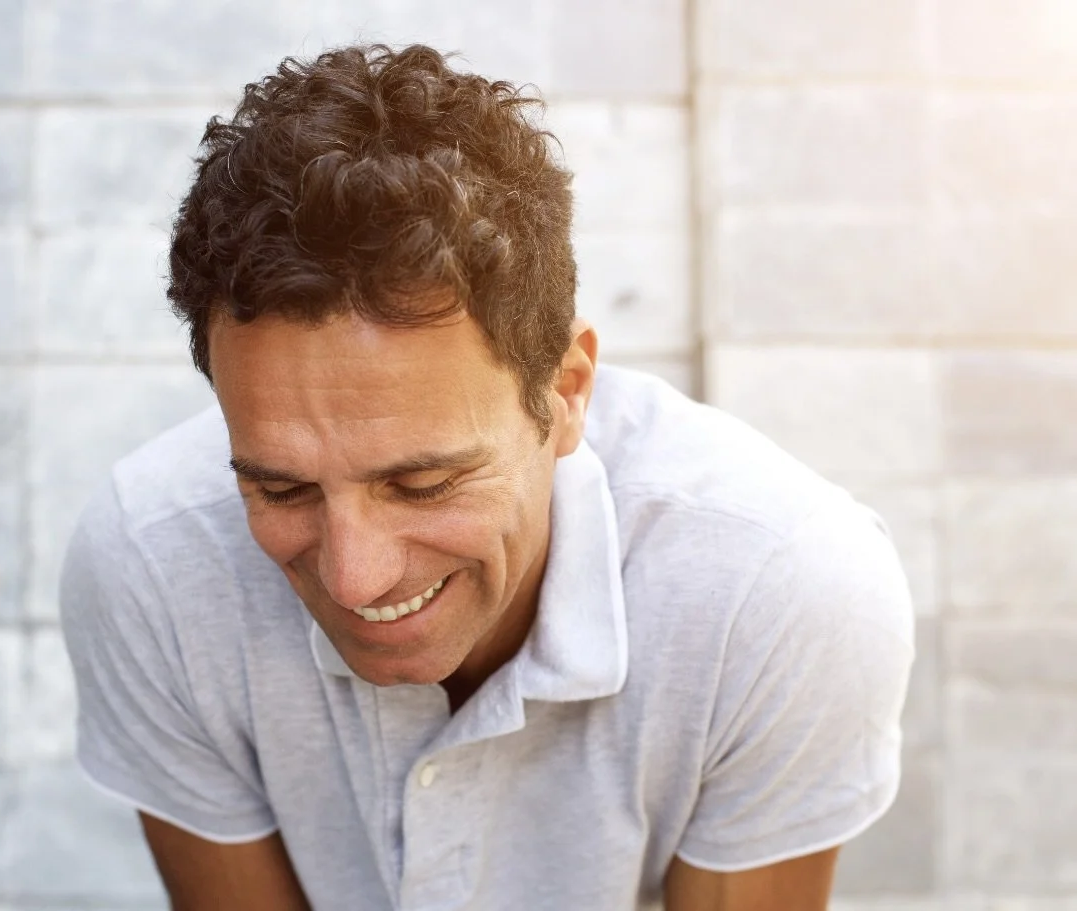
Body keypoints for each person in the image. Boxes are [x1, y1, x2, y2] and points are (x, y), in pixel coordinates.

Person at [60, 43, 915, 911]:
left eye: (423, 483)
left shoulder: (781, 592)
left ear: (567, 391)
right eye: (281, 489)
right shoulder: (149, 561)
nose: (355, 576)